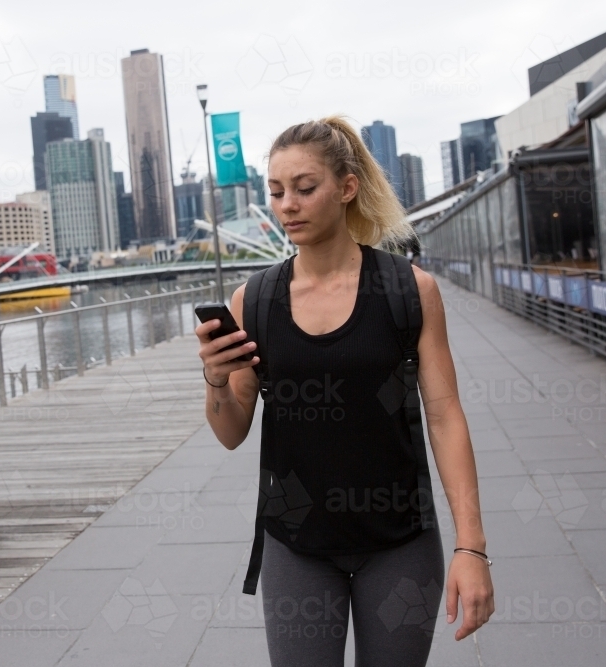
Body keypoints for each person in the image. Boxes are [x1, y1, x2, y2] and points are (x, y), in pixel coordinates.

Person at [196, 117, 494, 666]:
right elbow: (231, 431)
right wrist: (216, 378)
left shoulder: (408, 291)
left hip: (400, 542)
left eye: (306, 188)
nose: (288, 205)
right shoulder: (254, 301)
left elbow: (447, 417)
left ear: (347, 188)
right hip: (296, 547)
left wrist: (471, 547)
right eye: (277, 191)